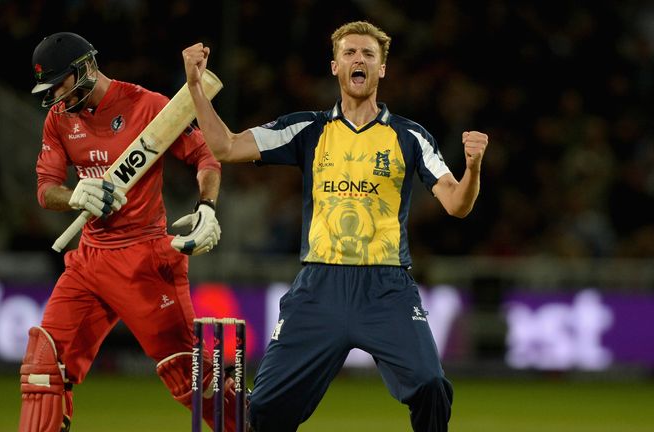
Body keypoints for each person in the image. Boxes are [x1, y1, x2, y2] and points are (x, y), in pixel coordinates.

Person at [183, 21, 489, 431]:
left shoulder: (410, 137)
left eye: (368, 54)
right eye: (349, 53)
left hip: (387, 288)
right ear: (334, 66)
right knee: (263, 413)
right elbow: (225, 146)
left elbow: (457, 204)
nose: (358, 59)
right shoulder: (308, 128)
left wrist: (473, 166)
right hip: (320, 287)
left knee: (431, 384)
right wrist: (195, 88)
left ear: (383, 69)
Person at [19, 32, 237, 432]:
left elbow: (206, 154)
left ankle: (251, 424)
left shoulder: (147, 105)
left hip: (145, 260)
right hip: (89, 260)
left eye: (60, 85)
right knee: (43, 366)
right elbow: (46, 190)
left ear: (85, 68)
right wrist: (75, 195)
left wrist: (206, 207)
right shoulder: (59, 120)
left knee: (190, 376)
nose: (55, 98)